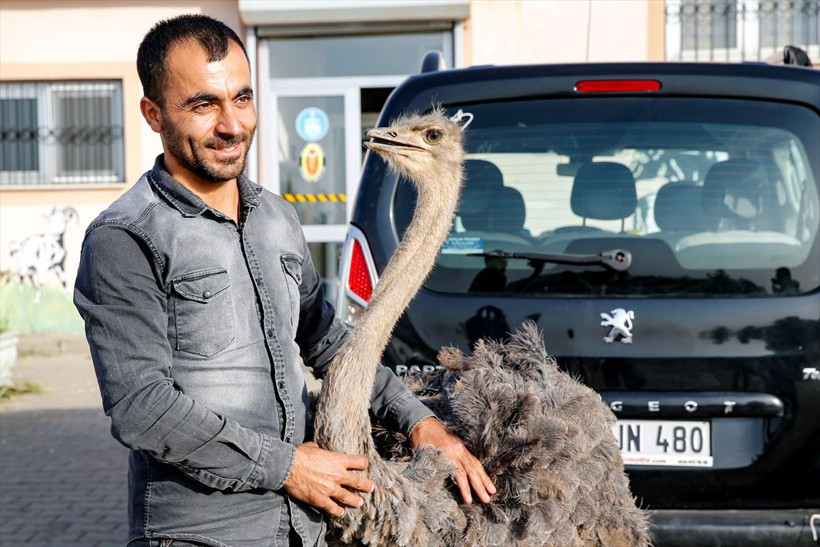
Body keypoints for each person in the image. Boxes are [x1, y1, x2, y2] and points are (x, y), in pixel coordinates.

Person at [73, 14, 495, 547]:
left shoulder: (276, 218)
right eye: (204, 105)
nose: (231, 125)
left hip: (307, 529)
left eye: (242, 99)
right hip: (202, 534)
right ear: (153, 114)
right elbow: (142, 408)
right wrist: (288, 467)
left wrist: (418, 422)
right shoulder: (125, 238)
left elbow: (328, 341)